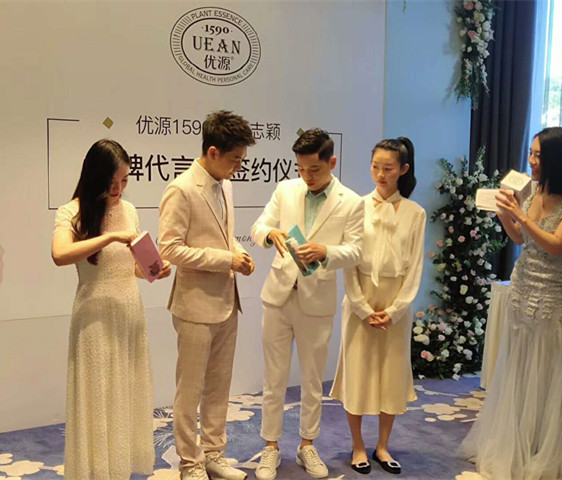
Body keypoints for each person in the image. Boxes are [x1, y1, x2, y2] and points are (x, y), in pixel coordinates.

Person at [459, 127, 562, 479]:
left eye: (538, 155)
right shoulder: (533, 190)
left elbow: (555, 245)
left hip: (551, 289)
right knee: (517, 361)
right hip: (522, 283)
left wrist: (519, 214)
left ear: (557, 159)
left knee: (545, 365)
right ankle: (511, 440)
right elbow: (520, 238)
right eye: (531, 153)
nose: (531, 161)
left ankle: (537, 446)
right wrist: (505, 212)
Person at [51, 139, 172, 480]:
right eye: (111, 182)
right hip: (94, 315)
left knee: (125, 394)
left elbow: (131, 268)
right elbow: (60, 254)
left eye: (124, 180)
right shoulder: (72, 212)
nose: (118, 189)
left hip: (129, 310)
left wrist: (155, 270)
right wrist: (108, 238)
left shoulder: (129, 210)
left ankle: (118, 469)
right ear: (94, 178)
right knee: (97, 395)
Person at [251, 128, 365, 480]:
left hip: (318, 298)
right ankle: (270, 446)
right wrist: (270, 233)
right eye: (301, 169)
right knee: (274, 376)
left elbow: (357, 250)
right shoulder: (286, 189)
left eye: (314, 169)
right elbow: (259, 226)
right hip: (278, 294)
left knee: (313, 379)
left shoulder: (351, 201)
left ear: (332, 162)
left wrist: (325, 251)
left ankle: (307, 445)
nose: (307, 176)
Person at [158, 111, 256, 480]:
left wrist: (238, 254)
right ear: (213, 152)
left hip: (227, 301)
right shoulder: (181, 189)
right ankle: (190, 463)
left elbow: (224, 235)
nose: (238, 167)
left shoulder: (225, 185)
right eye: (235, 160)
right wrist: (226, 259)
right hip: (194, 304)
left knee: (219, 385)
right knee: (190, 389)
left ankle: (214, 453)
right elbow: (170, 249)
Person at [329, 137, 425, 475]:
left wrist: (396, 310)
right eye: (375, 167)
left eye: (388, 168)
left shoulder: (415, 213)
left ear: (403, 169)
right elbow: (349, 262)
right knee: (357, 374)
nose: (381, 174)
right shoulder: (356, 206)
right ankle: (357, 445)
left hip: (396, 305)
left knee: (391, 376)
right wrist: (362, 308)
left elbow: (415, 269)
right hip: (360, 303)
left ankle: (383, 446)